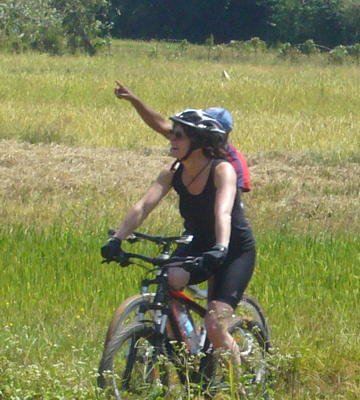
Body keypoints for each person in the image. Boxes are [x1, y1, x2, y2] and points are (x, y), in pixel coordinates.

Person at [101, 108, 258, 369]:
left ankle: (238, 389)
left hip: (233, 249)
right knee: (169, 280)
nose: (171, 139)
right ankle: (191, 351)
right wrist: (116, 239)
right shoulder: (172, 171)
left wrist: (220, 247)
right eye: (172, 134)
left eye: (179, 136)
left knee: (215, 324)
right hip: (198, 243)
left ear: (197, 142)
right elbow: (143, 207)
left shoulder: (222, 170)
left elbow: (223, 213)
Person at [114, 81, 251, 192]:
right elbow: (161, 125)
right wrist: (134, 100)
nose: (175, 138)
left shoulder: (234, 164)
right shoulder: (189, 141)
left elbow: (232, 208)